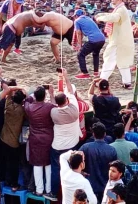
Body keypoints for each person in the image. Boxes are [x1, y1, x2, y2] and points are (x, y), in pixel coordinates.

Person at [50, 70, 81, 200]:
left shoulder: (53, 112)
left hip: (58, 147)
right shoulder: (74, 109)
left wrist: (51, 93)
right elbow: (71, 91)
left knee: (56, 170)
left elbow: (52, 104)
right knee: (72, 170)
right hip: (72, 145)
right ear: (67, 100)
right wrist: (66, 77)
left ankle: (53, 193)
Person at [95, 0, 134, 88]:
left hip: (118, 41)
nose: (113, 0)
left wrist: (101, 17)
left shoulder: (121, 10)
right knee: (122, 62)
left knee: (109, 60)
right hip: (121, 40)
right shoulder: (120, 9)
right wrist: (103, 14)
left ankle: (102, 80)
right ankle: (127, 82)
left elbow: (114, 18)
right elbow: (113, 15)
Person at [24, 85, 55, 198]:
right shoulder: (49, 107)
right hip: (48, 137)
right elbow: (56, 106)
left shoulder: (29, 107)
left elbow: (27, 100)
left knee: (37, 164)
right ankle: (48, 189)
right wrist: (51, 94)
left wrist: (31, 95)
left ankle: (39, 189)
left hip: (35, 139)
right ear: (44, 96)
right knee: (48, 163)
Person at [80, 122, 118, 203]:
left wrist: (81, 172)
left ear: (93, 134)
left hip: (90, 188)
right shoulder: (112, 150)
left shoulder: (85, 147)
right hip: (107, 189)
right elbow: (116, 169)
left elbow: (73, 161)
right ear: (105, 134)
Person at [73, 9, 106, 79]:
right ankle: (96, 72)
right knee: (95, 54)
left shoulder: (77, 21)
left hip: (93, 39)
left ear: (76, 15)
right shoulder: (89, 18)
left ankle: (85, 73)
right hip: (102, 38)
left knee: (80, 54)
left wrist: (79, 45)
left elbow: (78, 34)